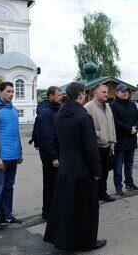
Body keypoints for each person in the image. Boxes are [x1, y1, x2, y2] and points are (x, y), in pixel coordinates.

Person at [43, 82, 106, 251]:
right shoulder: (84, 117)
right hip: (83, 171)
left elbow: (55, 141)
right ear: (80, 96)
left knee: (67, 208)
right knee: (87, 209)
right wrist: (97, 170)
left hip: (66, 169)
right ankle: (87, 242)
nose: (84, 96)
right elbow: (90, 148)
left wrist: (62, 158)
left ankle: (65, 241)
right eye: (84, 94)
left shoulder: (58, 115)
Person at [0, 82, 23, 231]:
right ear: (0, 92)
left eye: (13, 91)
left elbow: (15, 133)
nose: (11, 94)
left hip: (13, 156)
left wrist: (19, 152)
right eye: (8, 91)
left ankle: (6, 215)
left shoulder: (13, 110)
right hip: (1, 158)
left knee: (8, 187)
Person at [85, 84, 116, 202]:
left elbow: (111, 125)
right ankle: (94, 196)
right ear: (96, 93)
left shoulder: (107, 106)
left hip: (107, 145)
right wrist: (99, 135)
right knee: (95, 172)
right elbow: (88, 128)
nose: (106, 94)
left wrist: (113, 142)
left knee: (105, 171)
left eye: (107, 92)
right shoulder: (88, 107)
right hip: (96, 146)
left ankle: (103, 192)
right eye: (104, 92)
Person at [35, 86, 62, 220]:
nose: (61, 97)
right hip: (50, 156)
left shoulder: (52, 110)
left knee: (54, 184)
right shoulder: (46, 112)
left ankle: (52, 211)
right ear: (51, 96)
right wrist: (54, 157)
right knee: (51, 184)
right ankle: (47, 213)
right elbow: (47, 137)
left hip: (52, 154)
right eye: (58, 95)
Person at [110, 84, 138, 196]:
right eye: (123, 92)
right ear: (117, 93)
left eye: (127, 91)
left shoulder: (132, 104)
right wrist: (129, 129)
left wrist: (136, 127)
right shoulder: (113, 105)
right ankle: (118, 186)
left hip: (131, 140)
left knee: (130, 164)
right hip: (120, 140)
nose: (125, 93)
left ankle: (129, 182)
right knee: (118, 165)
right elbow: (115, 122)